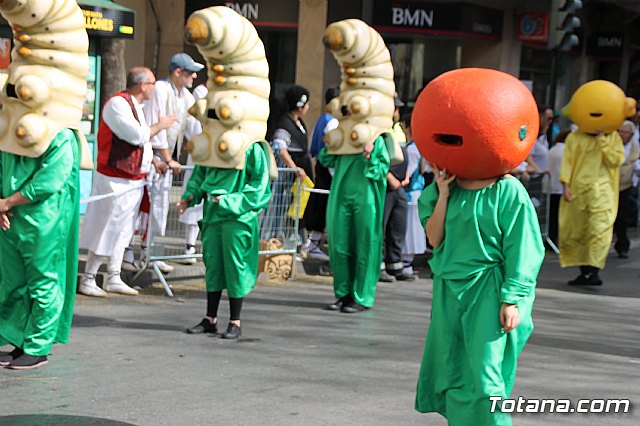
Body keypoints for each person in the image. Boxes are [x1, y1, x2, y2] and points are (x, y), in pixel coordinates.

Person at [411, 68, 544, 425]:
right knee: (452, 367)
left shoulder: (508, 192)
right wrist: (441, 194)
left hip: (489, 290)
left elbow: (524, 250)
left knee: (486, 374)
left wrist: (512, 298)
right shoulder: (441, 191)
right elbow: (435, 238)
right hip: (449, 289)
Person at [79, 67, 176, 297]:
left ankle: (113, 275)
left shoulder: (135, 107)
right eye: (152, 83)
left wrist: (154, 162)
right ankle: (89, 277)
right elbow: (137, 136)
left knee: (123, 230)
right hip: (115, 180)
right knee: (107, 227)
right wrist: (161, 125)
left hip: (131, 180)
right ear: (143, 85)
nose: (154, 87)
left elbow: (143, 143)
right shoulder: (117, 104)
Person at [123, 53, 203, 274]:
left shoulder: (185, 96)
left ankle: (151, 252)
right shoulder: (160, 89)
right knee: (139, 206)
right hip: (149, 158)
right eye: (190, 72)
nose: (194, 76)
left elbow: (193, 127)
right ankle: (127, 251)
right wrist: (167, 157)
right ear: (178, 72)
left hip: (164, 162)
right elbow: (154, 127)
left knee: (158, 208)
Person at [559, 80, 633, 286]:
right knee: (578, 231)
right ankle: (585, 272)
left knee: (599, 231)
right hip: (578, 191)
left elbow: (616, 160)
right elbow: (568, 162)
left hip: (603, 193)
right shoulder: (575, 137)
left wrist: (602, 140)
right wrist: (565, 185)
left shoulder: (613, 138)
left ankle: (594, 270)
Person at [300, 87, 340, 261]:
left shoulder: (321, 119)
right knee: (323, 205)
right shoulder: (332, 122)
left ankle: (313, 242)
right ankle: (314, 243)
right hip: (328, 168)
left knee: (319, 203)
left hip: (320, 165)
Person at [380, 95, 413, 282]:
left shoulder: (397, 130)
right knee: (382, 227)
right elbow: (378, 158)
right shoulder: (381, 130)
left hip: (400, 185)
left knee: (398, 226)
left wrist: (406, 175)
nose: (398, 112)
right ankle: (380, 266)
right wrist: (389, 177)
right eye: (395, 108)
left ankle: (395, 265)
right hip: (386, 185)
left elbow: (404, 153)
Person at [177, 83, 208, 264]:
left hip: (214, 155)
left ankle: (202, 245)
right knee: (193, 199)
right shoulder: (200, 92)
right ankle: (189, 245)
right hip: (199, 153)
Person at [400, 113, 427, 276]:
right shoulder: (418, 147)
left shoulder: (411, 149)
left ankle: (406, 263)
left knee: (409, 228)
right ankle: (407, 263)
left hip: (410, 193)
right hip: (417, 192)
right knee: (413, 228)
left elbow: (406, 175)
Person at [613, 120, 640, 258]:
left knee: (622, 217)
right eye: (620, 131)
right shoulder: (612, 143)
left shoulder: (634, 146)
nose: (622, 135)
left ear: (631, 134)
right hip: (610, 186)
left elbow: (636, 163)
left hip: (625, 186)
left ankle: (622, 245)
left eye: (626, 132)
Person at [547, 129, 571, 247]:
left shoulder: (552, 150)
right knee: (561, 217)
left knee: (552, 216)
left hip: (551, 186)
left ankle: (552, 238)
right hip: (563, 188)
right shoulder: (566, 151)